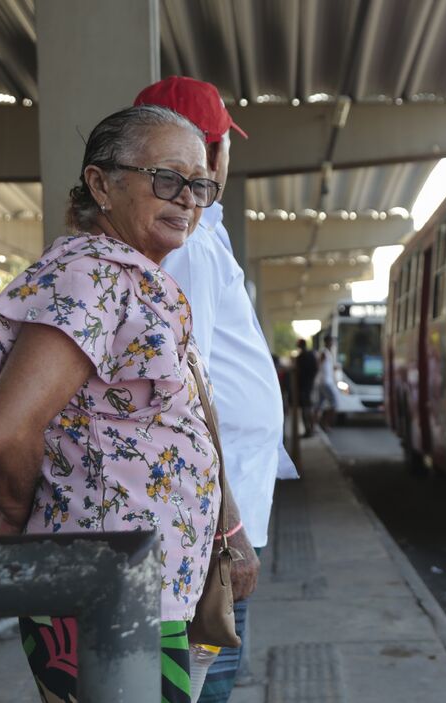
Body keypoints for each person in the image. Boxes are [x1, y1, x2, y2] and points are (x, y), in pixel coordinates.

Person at [0, 104, 257, 703]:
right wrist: (16, 512)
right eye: (167, 179)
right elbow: (2, 430)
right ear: (101, 183)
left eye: (200, 184)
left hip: (143, 582)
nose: (188, 199)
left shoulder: (132, 276)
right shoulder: (91, 276)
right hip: (106, 588)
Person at [135, 75, 299, 702]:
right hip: (209, 513)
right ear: (208, 152)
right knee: (208, 670)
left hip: (211, 501)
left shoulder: (198, 238)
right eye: (225, 142)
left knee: (201, 666)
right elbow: (184, 388)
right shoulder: (191, 246)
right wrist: (228, 530)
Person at [294, 338, 318, 436]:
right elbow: (316, 369)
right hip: (309, 385)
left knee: (305, 409)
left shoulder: (301, 357)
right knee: (309, 408)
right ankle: (311, 429)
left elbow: (298, 371)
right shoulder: (311, 355)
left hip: (304, 387)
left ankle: (309, 430)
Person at [316, 334, 338, 429]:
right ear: (327, 342)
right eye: (331, 341)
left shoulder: (327, 353)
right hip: (325, 382)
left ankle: (316, 424)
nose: (332, 343)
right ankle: (324, 423)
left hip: (325, 381)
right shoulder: (324, 352)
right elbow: (319, 365)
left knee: (320, 405)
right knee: (334, 403)